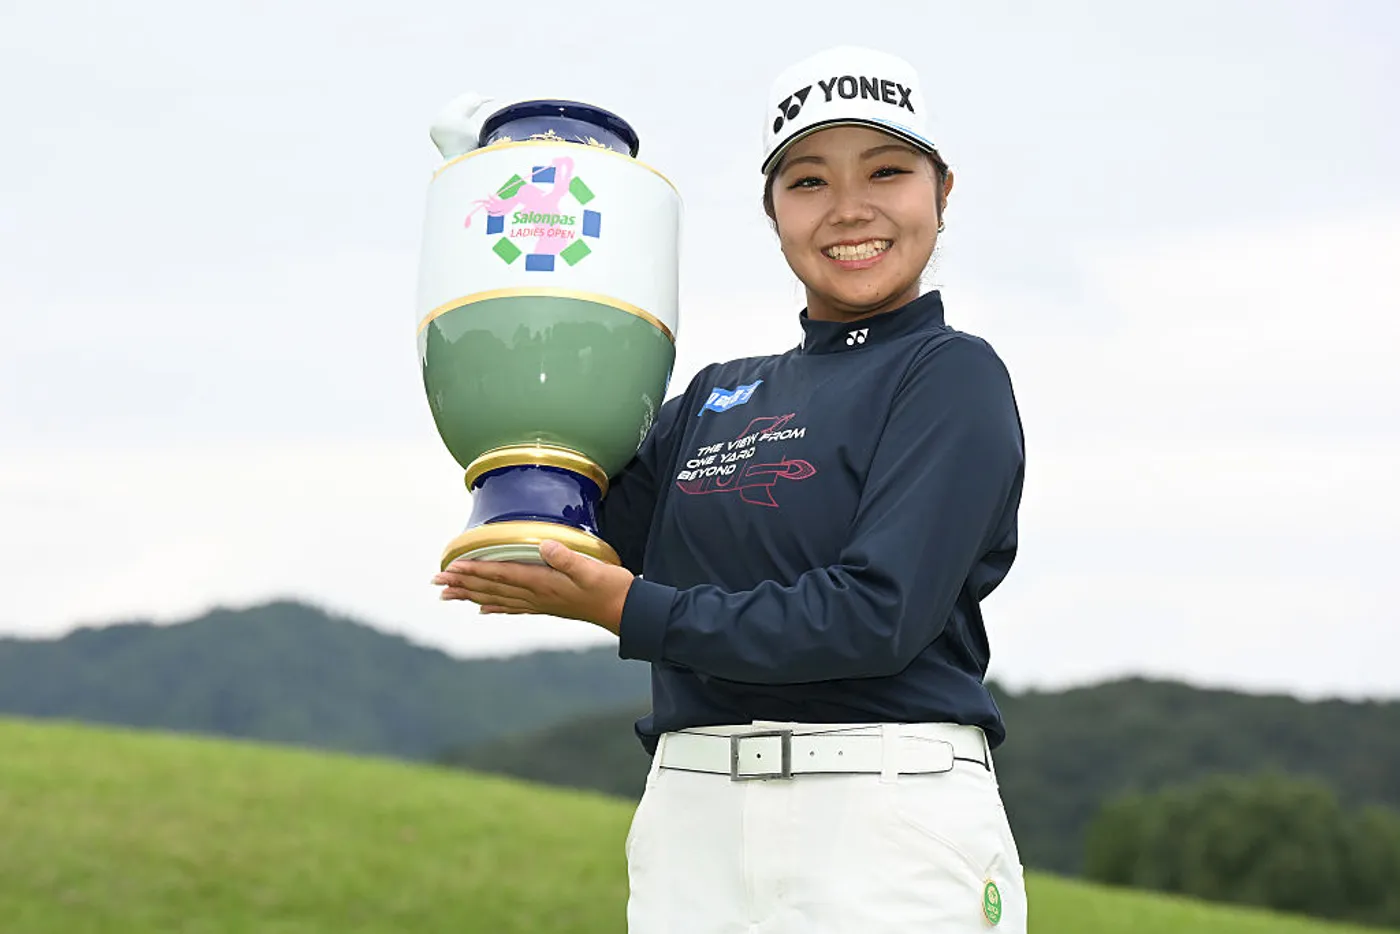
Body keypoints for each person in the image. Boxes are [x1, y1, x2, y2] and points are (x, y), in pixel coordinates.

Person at [434, 44, 1029, 934]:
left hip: (887, 820)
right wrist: (510, 261)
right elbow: (571, 526)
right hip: (691, 823)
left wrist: (626, 609)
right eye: (809, 181)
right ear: (771, 210)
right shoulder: (713, 398)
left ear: (942, 192)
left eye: (887, 171)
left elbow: (875, 616)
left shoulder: (950, 375)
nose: (850, 208)